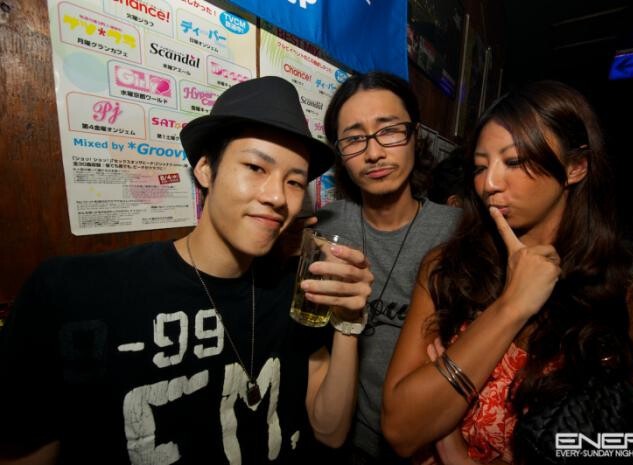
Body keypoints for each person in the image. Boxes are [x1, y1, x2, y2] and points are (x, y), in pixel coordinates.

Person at [0, 76, 373, 465]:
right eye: (255, 167)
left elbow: (330, 433)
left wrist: (347, 323)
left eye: (294, 182)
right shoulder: (74, 293)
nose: (278, 196)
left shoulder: (293, 292)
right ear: (205, 169)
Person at [382, 80, 633, 464]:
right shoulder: (448, 270)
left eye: (514, 161)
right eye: (480, 167)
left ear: (575, 167)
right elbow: (401, 431)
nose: (489, 184)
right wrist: (512, 305)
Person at [314, 72, 462, 464]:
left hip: (436, 442)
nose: (374, 152)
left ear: (415, 136)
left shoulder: (457, 231)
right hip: (353, 444)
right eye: (354, 139)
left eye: (390, 131)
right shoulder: (324, 228)